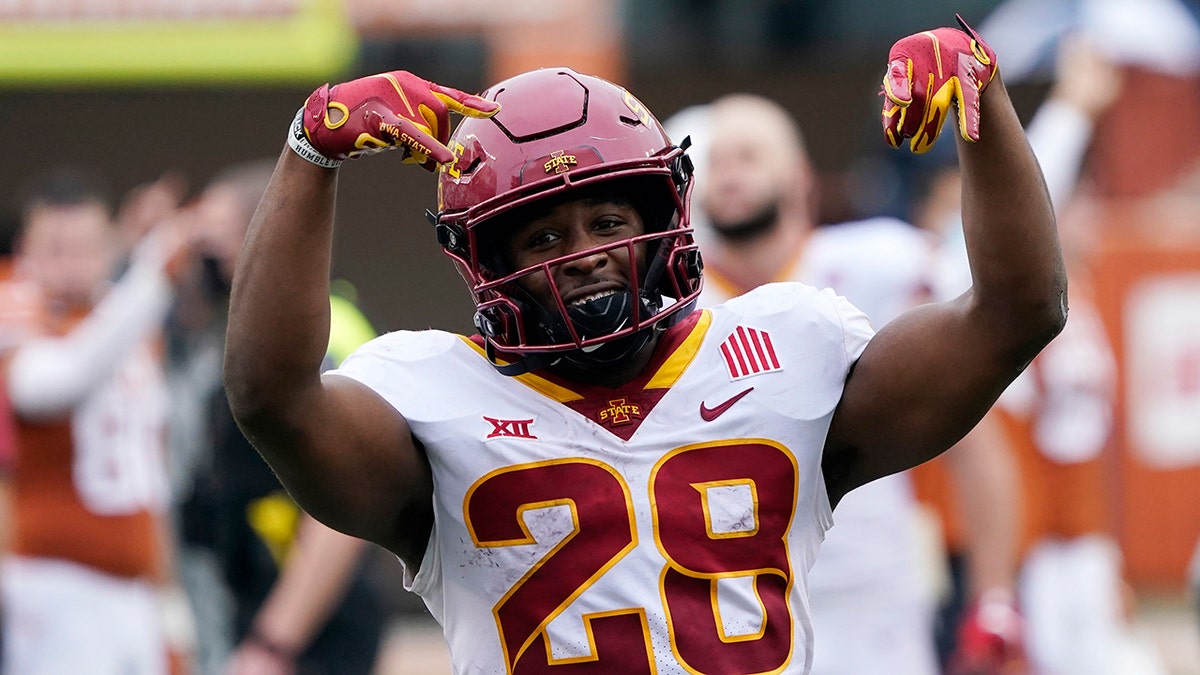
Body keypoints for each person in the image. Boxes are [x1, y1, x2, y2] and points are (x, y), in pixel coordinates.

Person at [223, 17, 1066, 674]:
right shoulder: (434, 396)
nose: (583, 254)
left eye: (607, 221)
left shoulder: (786, 346)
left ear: (663, 219)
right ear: (488, 262)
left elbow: (1018, 311)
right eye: (543, 237)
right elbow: (273, 398)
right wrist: (310, 152)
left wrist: (979, 93)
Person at [665, 93, 943, 675]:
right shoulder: (674, 308)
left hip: (869, 590)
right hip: (731, 599)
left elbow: (975, 440)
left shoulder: (877, 260)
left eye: (749, 155)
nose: (731, 174)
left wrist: (992, 591)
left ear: (798, 177)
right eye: (718, 161)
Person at [165, 161, 388, 675]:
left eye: (216, 236)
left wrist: (275, 644)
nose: (205, 253)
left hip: (307, 627)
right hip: (261, 604)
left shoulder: (312, 334)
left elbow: (344, 503)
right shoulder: (244, 331)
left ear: (263, 231)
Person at [0, 167, 189, 674]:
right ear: (25, 251)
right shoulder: (18, 307)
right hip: (58, 583)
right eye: (55, 248)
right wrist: (152, 275)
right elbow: (58, 380)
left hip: (137, 586)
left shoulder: (122, 319)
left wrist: (169, 598)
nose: (70, 265)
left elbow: (149, 469)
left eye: (85, 247)